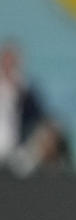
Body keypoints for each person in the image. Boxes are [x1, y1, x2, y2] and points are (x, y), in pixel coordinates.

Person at [0, 40, 68, 176]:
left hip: (16, 143)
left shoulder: (24, 88)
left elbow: (40, 115)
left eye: (12, 60)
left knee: (50, 129)